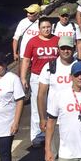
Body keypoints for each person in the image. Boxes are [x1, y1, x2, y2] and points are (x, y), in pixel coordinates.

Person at [21, 17, 60, 147]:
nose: (46, 29)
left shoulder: (57, 40)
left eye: (48, 27)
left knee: (54, 105)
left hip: (54, 77)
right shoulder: (32, 42)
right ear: (39, 29)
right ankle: (37, 135)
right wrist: (22, 78)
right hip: (37, 77)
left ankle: (52, 133)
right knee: (37, 106)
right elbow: (26, 60)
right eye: (43, 27)